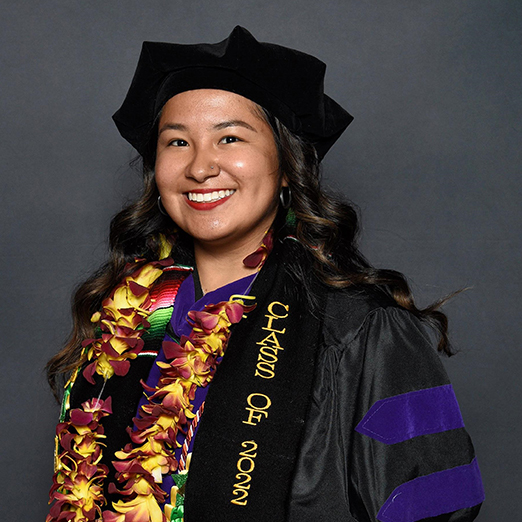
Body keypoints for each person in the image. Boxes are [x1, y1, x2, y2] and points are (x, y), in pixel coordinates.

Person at [46, 26, 484, 522]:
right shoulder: (124, 319)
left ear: (285, 162)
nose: (200, 167)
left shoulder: (358, 329)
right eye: (177, 142)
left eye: (229, 137)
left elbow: (433, 508)